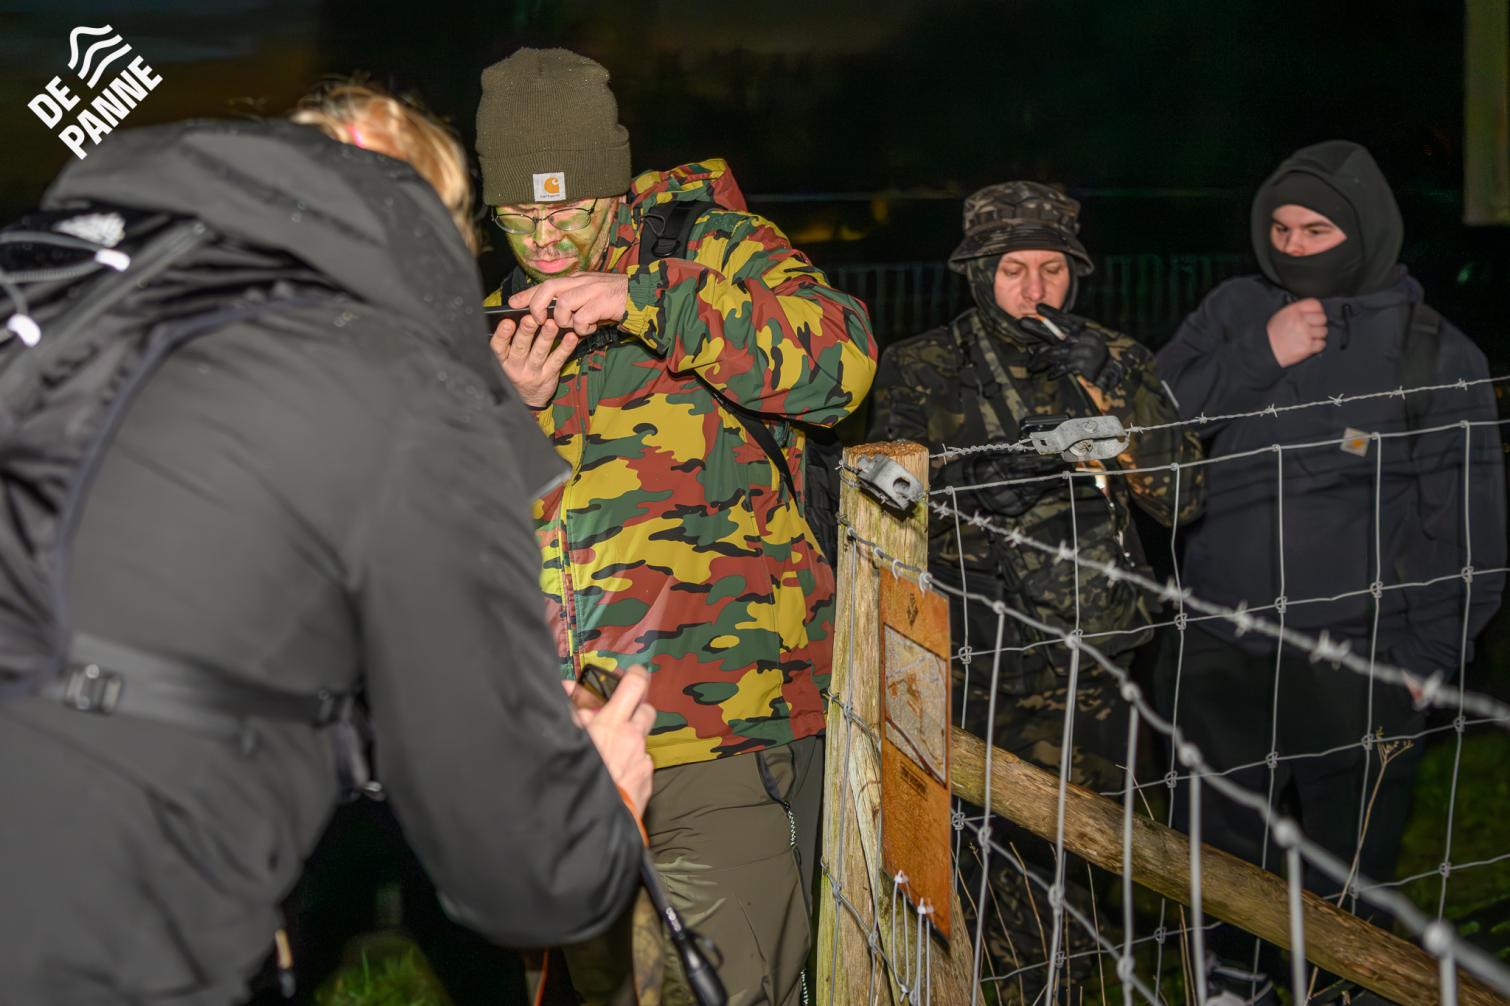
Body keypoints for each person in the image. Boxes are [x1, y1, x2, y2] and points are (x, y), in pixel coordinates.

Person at [0, 84, 653, 1004]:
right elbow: (525, 872)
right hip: (99, 914)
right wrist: (598, 801)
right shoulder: (394, 375)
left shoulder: (67, 286)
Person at [473, 47, 876, 1005]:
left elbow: (842, 369)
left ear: (612, 187)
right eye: (521, 217)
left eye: (570, 209)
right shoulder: (494, 317)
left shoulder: (710, 249)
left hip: (720, 729)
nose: (548, 239)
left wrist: (647, 300)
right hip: (564, 745)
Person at [1156, 140, 1506, 1003]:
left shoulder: (1432, 351)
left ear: (1365, 229)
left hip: (1359, 661)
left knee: (1348, 869)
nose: (1294, 247)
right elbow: (1150, 424)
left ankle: (1334, 989)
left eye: (1316, 231)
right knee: (1219, 854)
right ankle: (1231, 984)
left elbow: (1467, 527)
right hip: (1221, 649)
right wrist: (1258, 355)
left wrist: (1429, 658)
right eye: (1280, 228)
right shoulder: (1236, 309)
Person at [868, 181, 1204, 997]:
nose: (1035, 290)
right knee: (986, 869)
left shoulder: (1114, 357)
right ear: (978, 274)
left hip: (1092, 667)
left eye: (1051, 269)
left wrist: (1116, 393)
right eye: (1013, 270)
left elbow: (1183, 497)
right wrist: (976, 492)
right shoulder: (924, 366)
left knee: (1087, 873)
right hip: (978, 663)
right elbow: (881, 495)